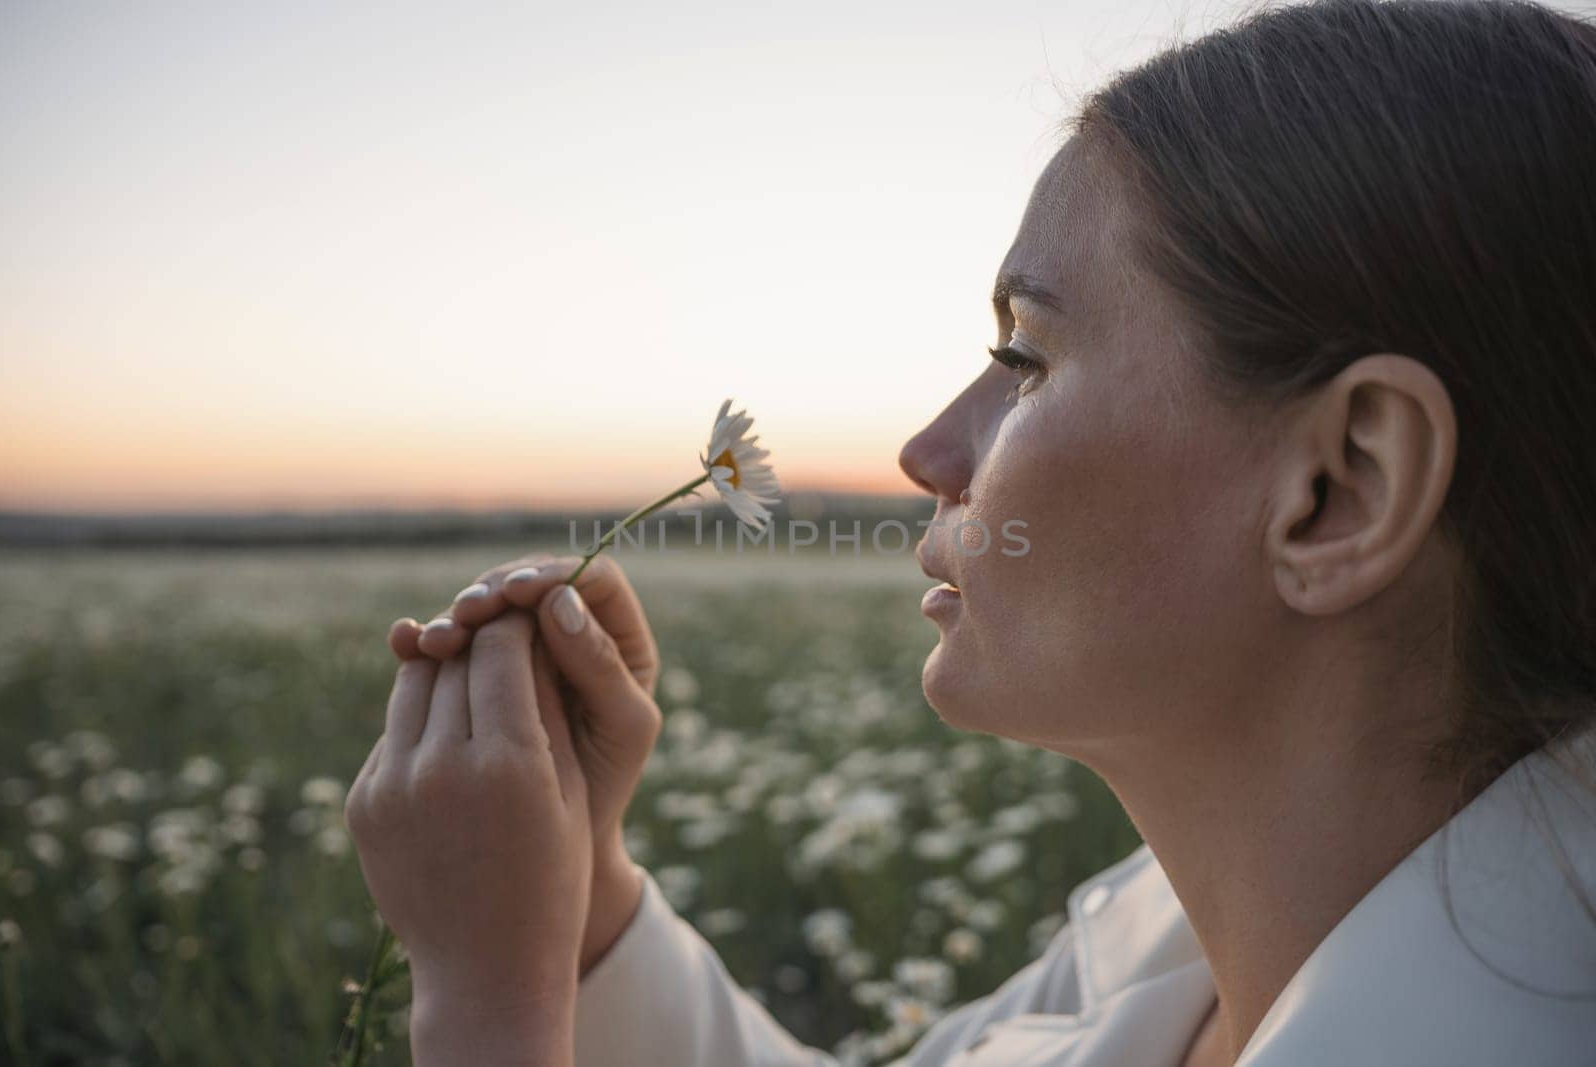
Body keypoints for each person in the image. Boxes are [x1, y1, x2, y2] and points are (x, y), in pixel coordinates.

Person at [342, 0, 1596, 1063]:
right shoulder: (1185, 942)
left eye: (1025, 358)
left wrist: (487, 1006)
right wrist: (582, 901)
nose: (928, 454)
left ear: (1341, 490)